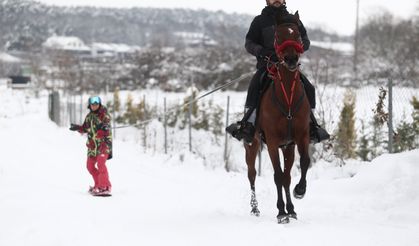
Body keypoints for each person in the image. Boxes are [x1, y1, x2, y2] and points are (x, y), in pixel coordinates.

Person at [226, 0, 330, 144]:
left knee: (309, 88)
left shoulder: (293, 20)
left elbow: (305, 40)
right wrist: (263, 52)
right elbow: (249, 43)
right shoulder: (259, 21)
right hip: (267, 65)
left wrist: (297, 48)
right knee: (255, 86)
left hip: (289, 66)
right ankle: (248, 125)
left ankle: (312, 126)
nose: (277, 0)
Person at [69, 96, 113, 196]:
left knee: (101, 164)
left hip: (103, 145)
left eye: (96, 104)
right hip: (93, 146)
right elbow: (85, 128)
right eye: (92, 104)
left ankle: (105, 186)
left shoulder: (104, 114)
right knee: (90, 166)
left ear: (99, 104)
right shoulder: (89, 116)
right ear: (90, 105)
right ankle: (98, 185)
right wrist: (78, 128)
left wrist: (104, 127)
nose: (94, 106)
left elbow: (107, 122)